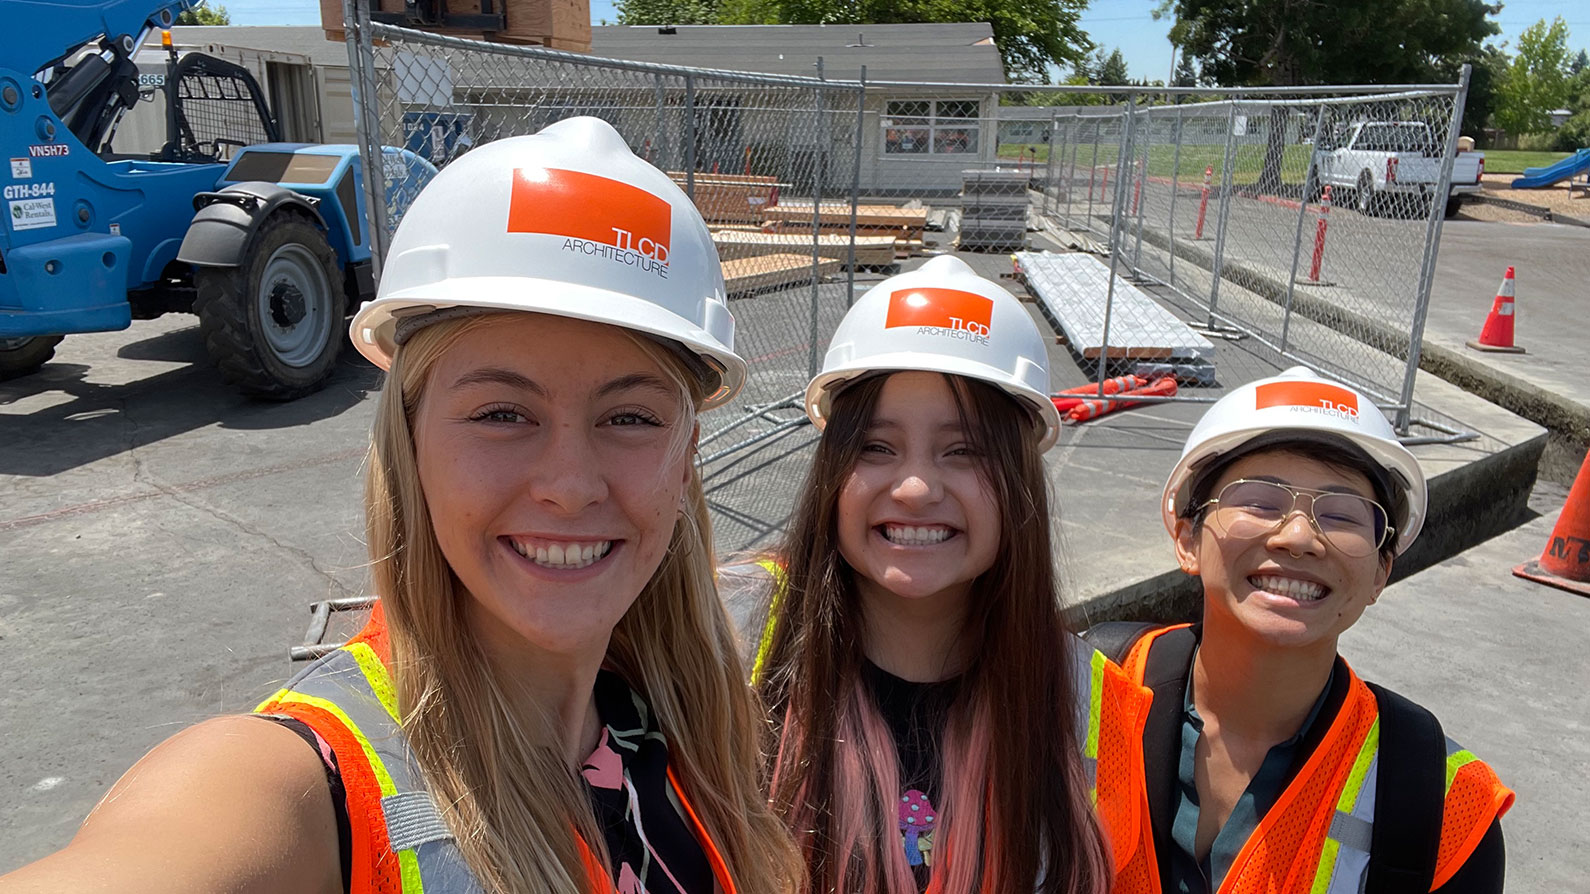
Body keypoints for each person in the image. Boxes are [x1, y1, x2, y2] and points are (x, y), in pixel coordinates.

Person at [0, 117, 799, 894]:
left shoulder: (677, 711)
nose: (569, 483)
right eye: (501, 413)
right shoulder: (293, 788)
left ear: (686, 457)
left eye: (630, 418)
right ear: (409, 439)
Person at [720, 256, 1113, 894]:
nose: (914, 487)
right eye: (876, 448)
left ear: (1019, 487)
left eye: (964, 452)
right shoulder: (730, 639)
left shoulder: (1088, 700)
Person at [1090, 366, 1514, 894]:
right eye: (1260, 501)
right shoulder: (1073, 693)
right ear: (1187, 538)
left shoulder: (1447, 808)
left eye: (1341, 516)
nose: (1298, 537)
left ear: (1382, 571)